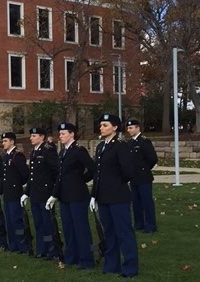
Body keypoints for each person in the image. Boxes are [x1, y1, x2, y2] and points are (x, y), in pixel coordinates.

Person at [90, 113, 138, 278]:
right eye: (101, 125)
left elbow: (128, 172)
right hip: (103, 197)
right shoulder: (100, 146)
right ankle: (112, 265)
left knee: (124, 233)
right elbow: (97, 173)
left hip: (118, 197)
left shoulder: (121, 146)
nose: (101, 128)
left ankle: (130, 267)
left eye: (105, 125)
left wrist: (115, 183)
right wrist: (94, 195)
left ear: (115, 127)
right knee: (109, 233)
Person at [46, 122, 95, 269]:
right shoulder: (62, 152)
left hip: (78, 195)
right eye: (59, 134)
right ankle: (72, 256)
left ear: (72, 134)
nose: (60, 136)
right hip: (64, 196)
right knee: (68, 228)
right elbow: (60, 176)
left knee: (80, 228)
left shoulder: (79, 150)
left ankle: (86, 259)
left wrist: (81, 180)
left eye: (63, 133)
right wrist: (54, 195)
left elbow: (92, 168)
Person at [21, 127, 59, 260]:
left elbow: (56, 172)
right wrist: (27, 193)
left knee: (47, 223)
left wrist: (54, 193)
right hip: (35, 194)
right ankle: (41, 248)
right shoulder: (33, 152)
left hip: (45, 193)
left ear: (42, 137)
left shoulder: (48, 151)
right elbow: (32, 175)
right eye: (31, 136)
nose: (31, 138)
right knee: (38, 223)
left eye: (34, 136)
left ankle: (52, 249)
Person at [0, 132, 30, 254]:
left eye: (5, 141)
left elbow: (25, 174)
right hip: (7, 194)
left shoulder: (17, 156)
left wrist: (18, 185)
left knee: (16, 220)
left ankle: (22, 245)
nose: (3, 143)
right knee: (9, 220)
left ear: (12, 142)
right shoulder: (5, 156)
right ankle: (13, 244)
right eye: (3, 141)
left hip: (15, 193)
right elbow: (3, 178)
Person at [126, 118, 158, 233]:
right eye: (128, 128)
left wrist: (144, 169)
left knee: (146, 202)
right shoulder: (129, 143)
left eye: (131, 128)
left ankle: (150, 225)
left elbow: (153, 158)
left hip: (144, 177)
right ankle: (138, 223)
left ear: (138, 128)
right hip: (133, 178)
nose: (128, 130)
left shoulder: (144, 141)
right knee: (135, 202)